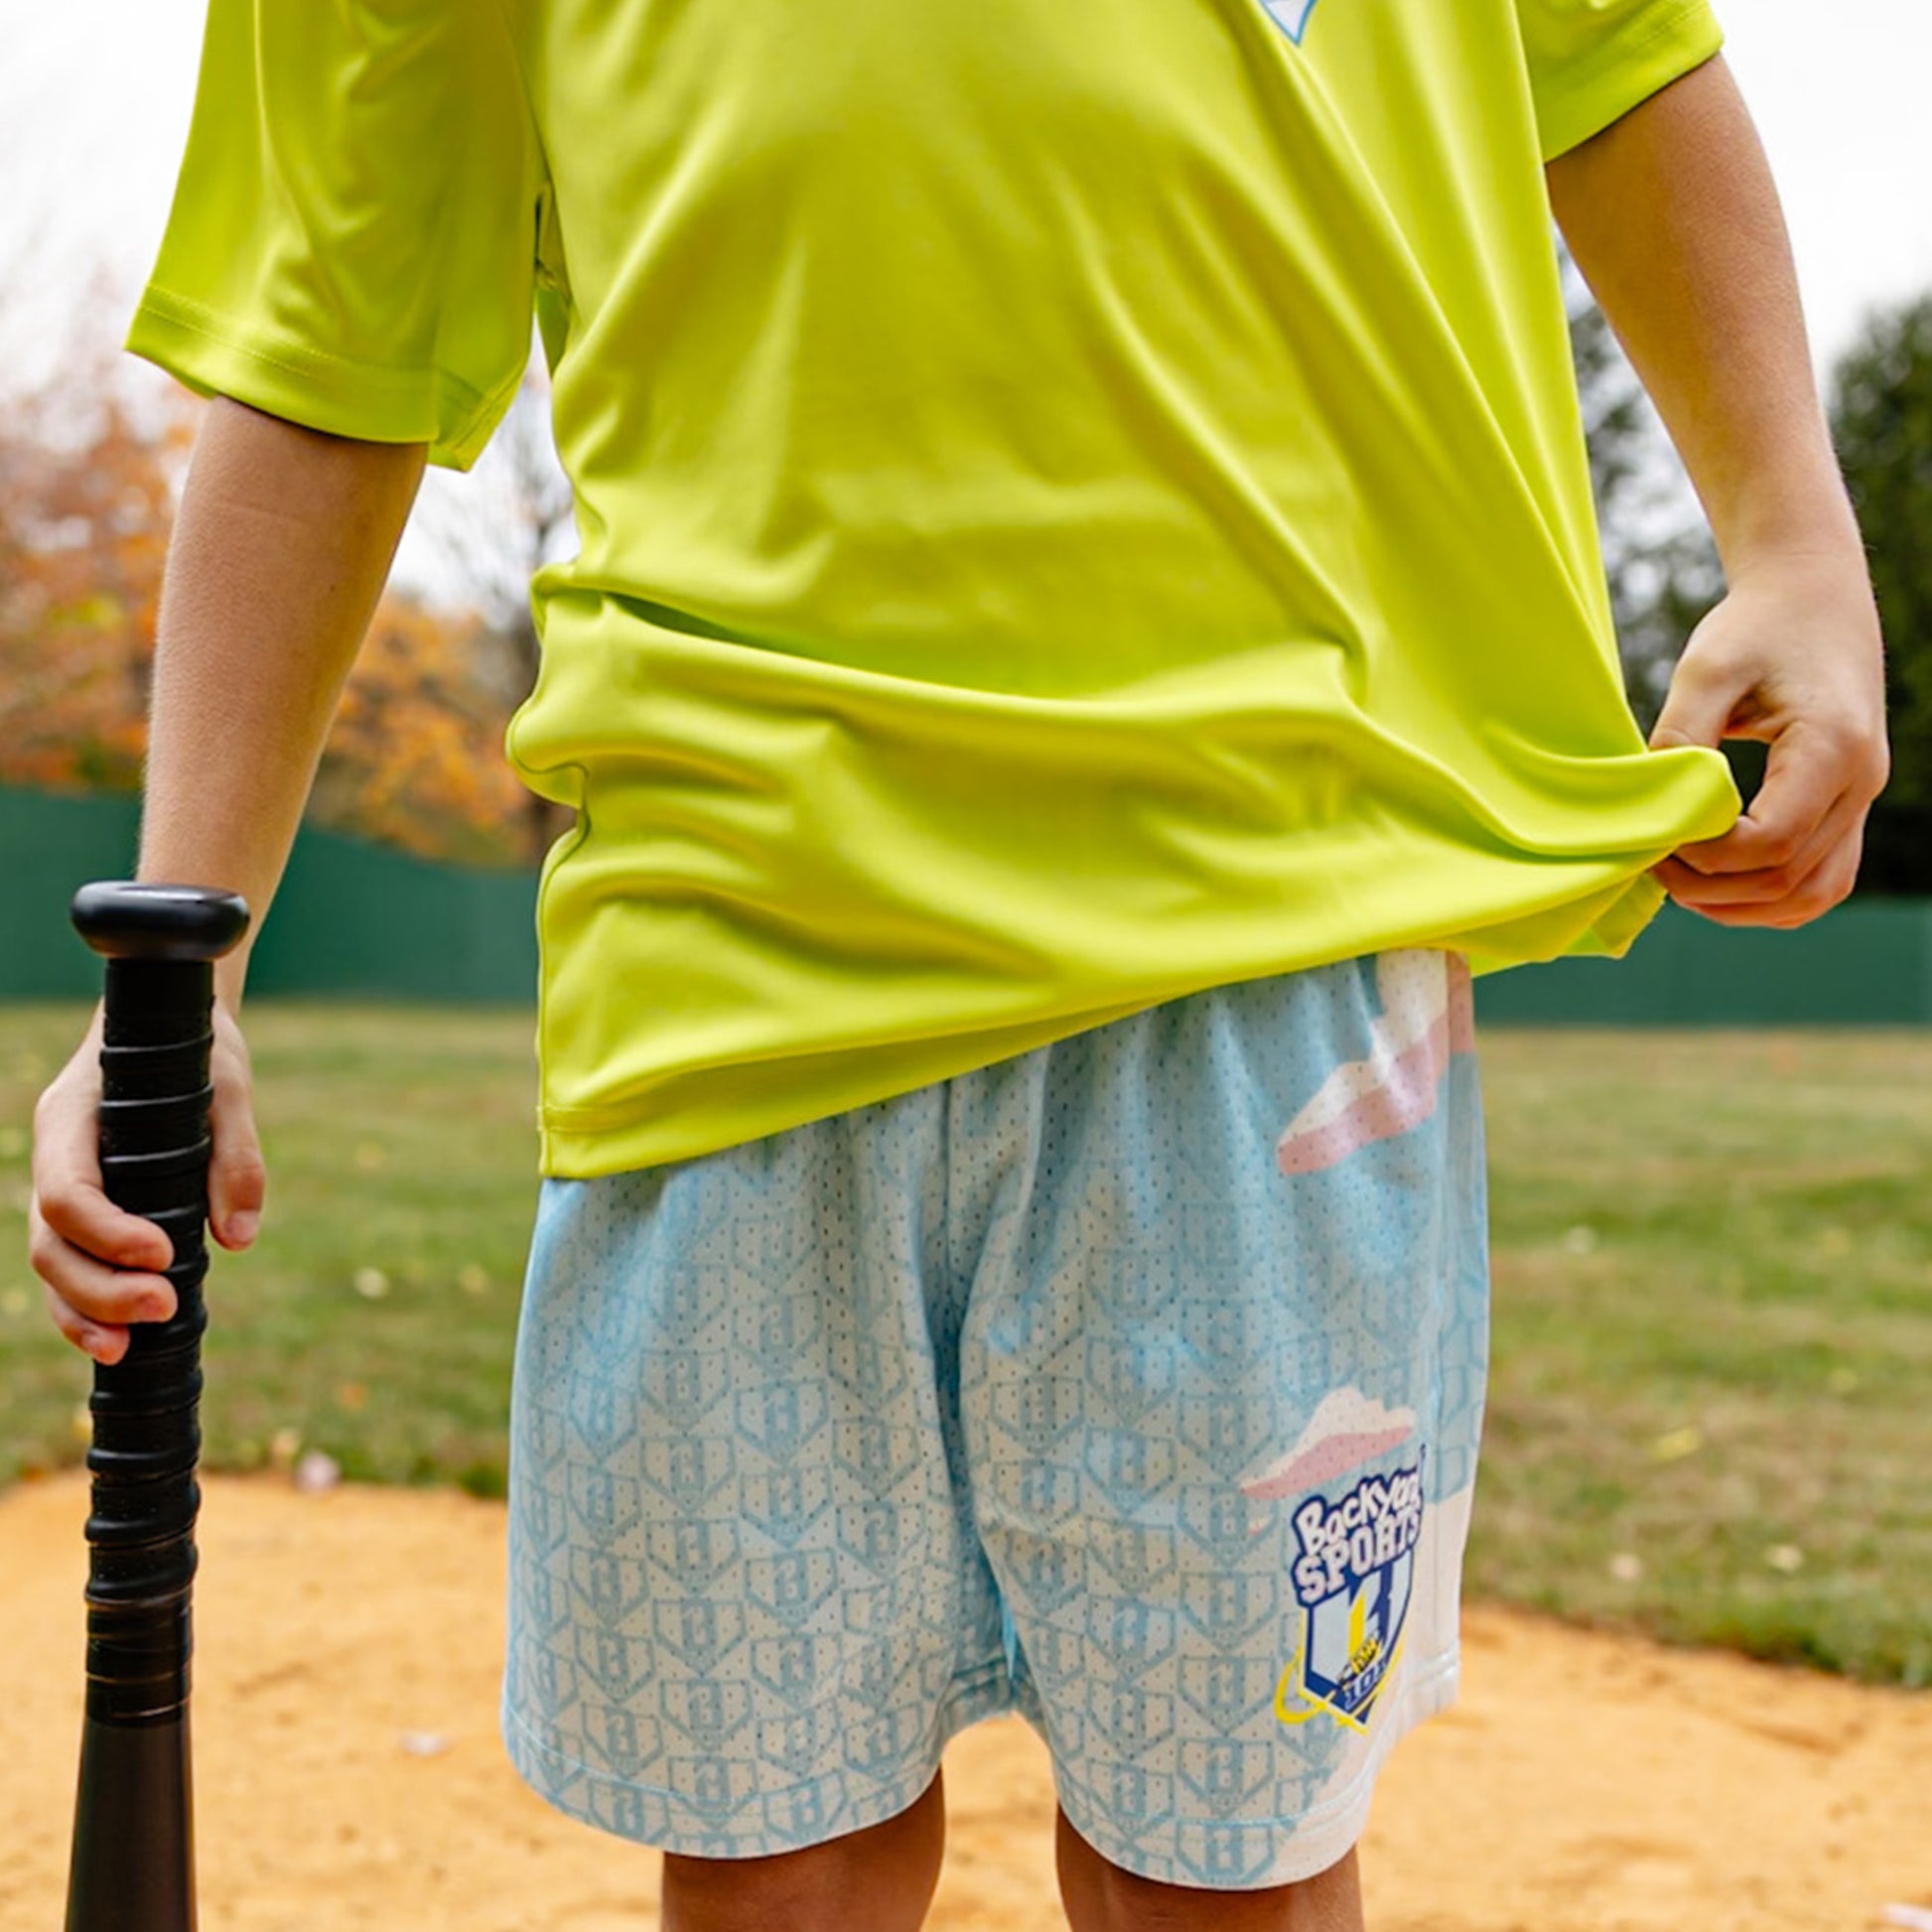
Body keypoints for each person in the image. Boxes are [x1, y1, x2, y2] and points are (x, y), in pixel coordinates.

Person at [30, 0, 1886, 1926]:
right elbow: (321, 348)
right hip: (735, 943)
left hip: (1271, 899)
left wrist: (1789, 530)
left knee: (1223, 1873)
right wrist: (188, 967)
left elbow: (1614, 53)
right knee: (776, 1864)